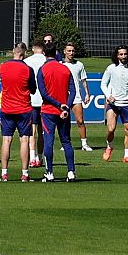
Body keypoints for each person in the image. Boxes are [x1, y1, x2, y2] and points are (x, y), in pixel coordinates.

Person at [0, 43, 36, 181]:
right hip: (23, 108)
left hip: (7, 108)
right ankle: (24, 173)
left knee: (6, 140)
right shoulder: (27, 69)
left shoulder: (3, 67)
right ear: (23, 54)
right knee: (24, 140)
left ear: (13, 51)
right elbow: (33, 89)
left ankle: (4, 173)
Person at [36, 51, 78, 182]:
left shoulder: (42, 69)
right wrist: (66, 106)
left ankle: (49, 173)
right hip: (63, 112)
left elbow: (44, 93)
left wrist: (58, 105)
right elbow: (73, 91)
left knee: (49, 141)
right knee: (66, 141)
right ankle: (71, 172)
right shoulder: (65, 68)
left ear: (44, 53)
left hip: (49, 111)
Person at [100, 46, 128, 163]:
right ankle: (109, 146)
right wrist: (108, 95)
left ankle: (127, 156)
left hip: (126, 104)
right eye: (120, 54)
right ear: (117, 56)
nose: (123, 56)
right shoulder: (111, 68)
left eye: (125, 54)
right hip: (113, 103)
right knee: (111, 129)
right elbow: (103, 84)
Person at [63, 44, 94, 152]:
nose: (71, 53)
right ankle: (65, 143)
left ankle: (84, 144)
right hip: (63, 97)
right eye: (69, 51)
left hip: (76, 96)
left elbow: (83, 80)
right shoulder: (60, 64)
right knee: (64, 122)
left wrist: (87, 93)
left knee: (80, 120)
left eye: (73, 51)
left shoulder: (79, 65)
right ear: (64, 51)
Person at [23, 40, 48, 168]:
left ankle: (33, 157)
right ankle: (41, 156)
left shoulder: (27, 62)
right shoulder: (47, 61)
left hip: (32, 100)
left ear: (33, 49)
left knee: (32, 131)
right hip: (45, 100)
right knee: (42, 131)